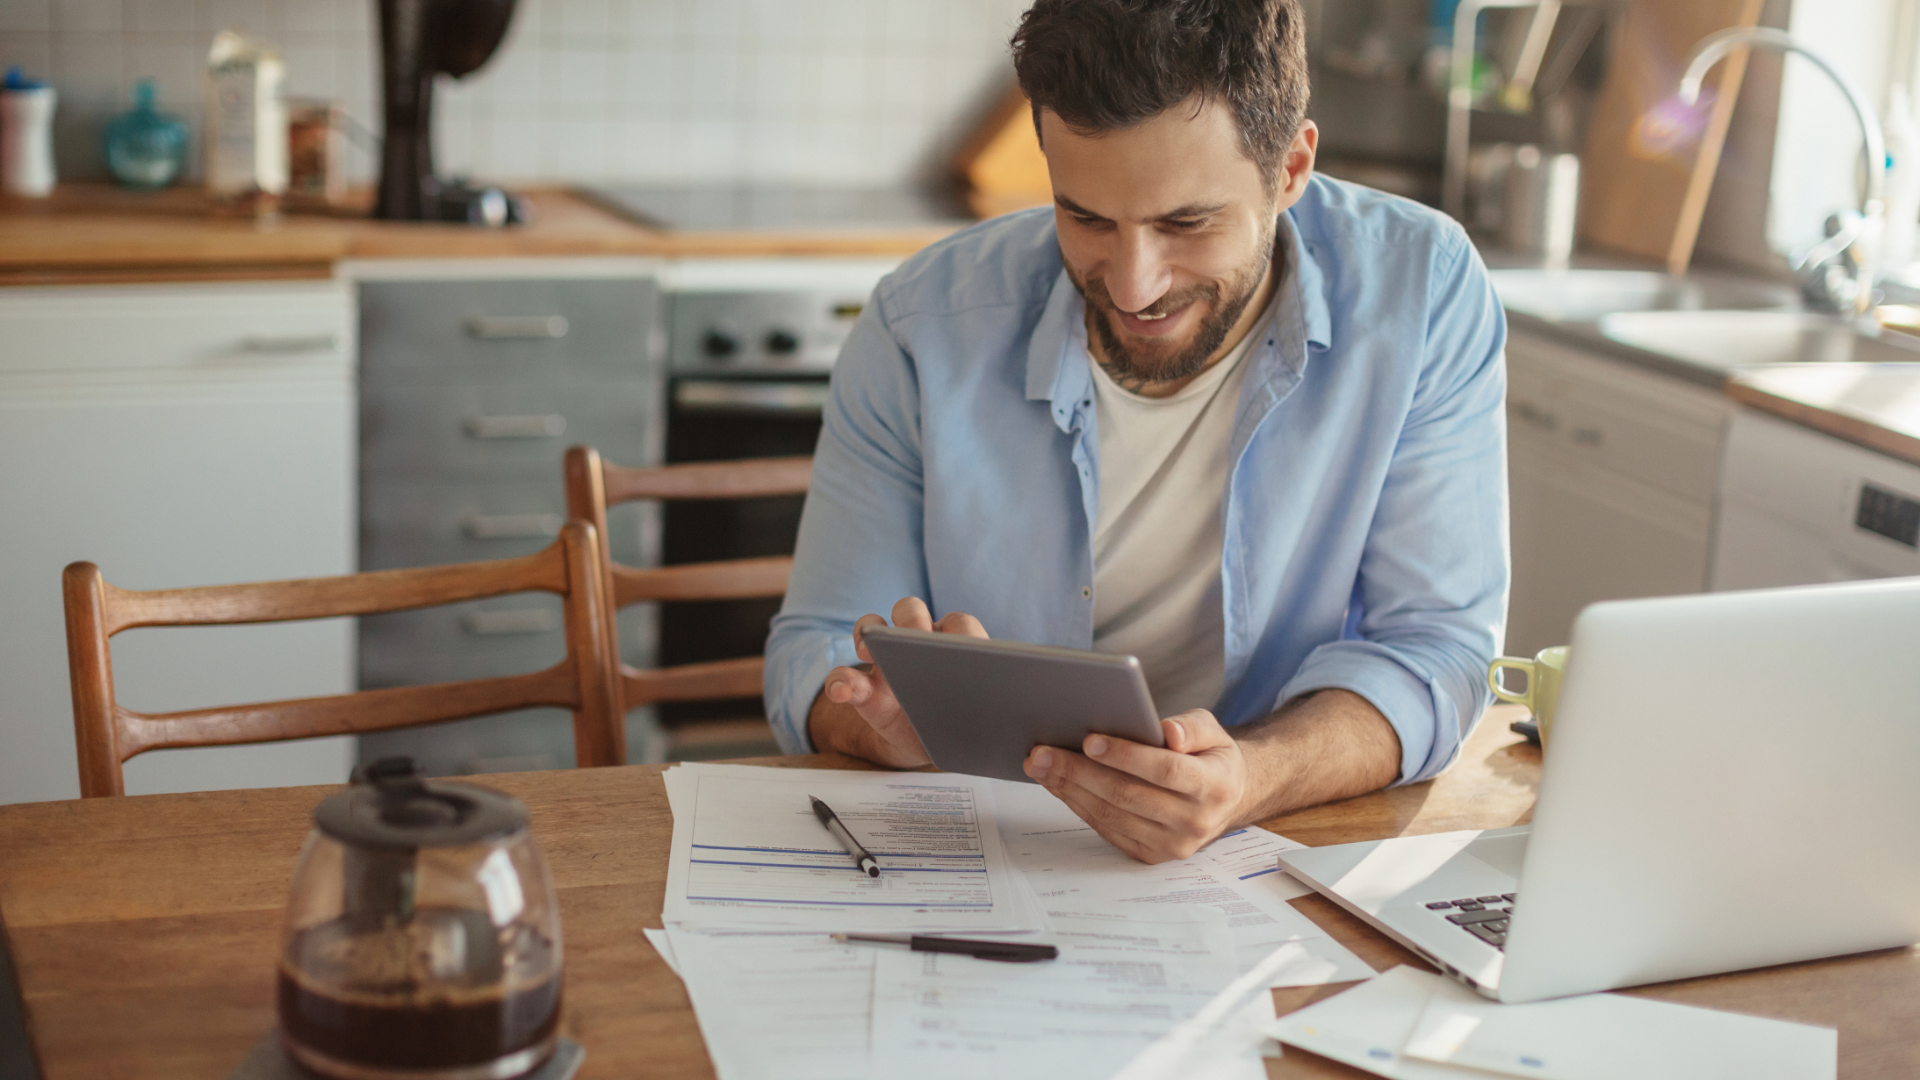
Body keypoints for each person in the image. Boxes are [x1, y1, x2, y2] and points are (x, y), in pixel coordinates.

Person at [764, 0, 1508, 864]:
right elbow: (813, 649)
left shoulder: (1423, 290)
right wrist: (883, 727)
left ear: (1292, 167)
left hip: (1276, 849)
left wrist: (1253, 777)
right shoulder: (921, 324)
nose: (1131, 285)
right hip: (995, 845)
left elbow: (1436, 649)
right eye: (1085, 218)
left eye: (1185, 224)